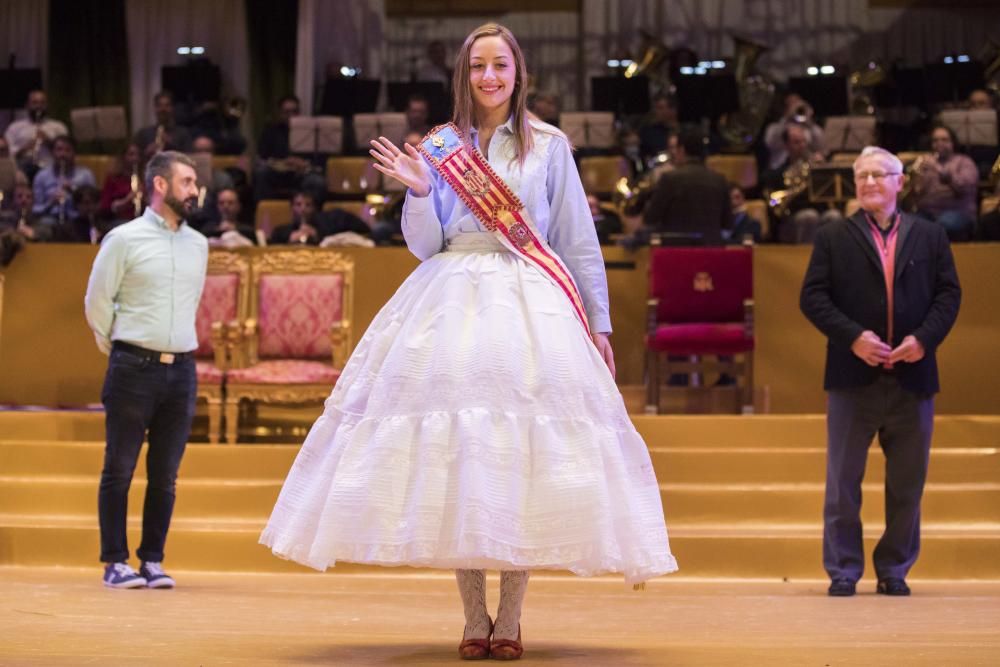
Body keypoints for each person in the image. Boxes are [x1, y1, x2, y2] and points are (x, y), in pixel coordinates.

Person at [260, 22, 676, 661]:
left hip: (531, 299)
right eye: (477, 66)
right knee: (463, 453)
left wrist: (598, 322)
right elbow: (425, 245)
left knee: (518, 457)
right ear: (464, 75)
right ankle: (472, 616)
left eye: (500, 66)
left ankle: (510, 616)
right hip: (451, 299)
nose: (489, 77)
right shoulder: (440, 147)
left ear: (518, 73)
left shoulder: (549, 146)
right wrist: (422, 193)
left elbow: (576, 240)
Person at [800, 146, 961, 598]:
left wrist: (922, 341)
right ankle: (844, 570)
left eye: (879, 174)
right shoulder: (833, 236)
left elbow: (949, 296)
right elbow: (813, 297)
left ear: (899, 183)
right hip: (853, 380)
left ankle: (894, 568)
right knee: (842, 486)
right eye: (862, 176)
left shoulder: (930, 236)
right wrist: (853, 337)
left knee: (907, 484)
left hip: (913, 377)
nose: (870, 182)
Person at [84, 150, 208, 590]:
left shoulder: (199, 244)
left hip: (183, 371)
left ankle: (152, 560)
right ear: (161, 185)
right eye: (188, 181)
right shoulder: (123, 239)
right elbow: (97, 302)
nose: (195, 191)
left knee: (165, 475)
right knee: (119, 467)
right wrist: (118, 346)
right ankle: (115, 562)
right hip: (133, 365)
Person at [640, 126, 728, 246]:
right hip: (711, 251)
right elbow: (728, 223)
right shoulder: (719, 180)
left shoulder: (669, 178)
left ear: (681, 150)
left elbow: (650, 218)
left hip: (677, 253)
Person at [911, 124, 979, 242]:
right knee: (908, 226)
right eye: (935, 140)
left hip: (958, 211)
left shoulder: (964, 162)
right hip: (927, 212)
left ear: (953, 143)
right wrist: (917, 180)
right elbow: (918, 193)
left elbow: (965, 188)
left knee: (941, 226)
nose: (939, 143)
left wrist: (938, 169)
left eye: (944, 140)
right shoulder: (927, 163)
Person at [31, 135, 97, 225]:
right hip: (51, 218)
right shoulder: (41, 176)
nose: (63, 154)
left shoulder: (85, 175)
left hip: (78, 218)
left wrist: (74, 191)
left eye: (68, 150)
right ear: (52, 153)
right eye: (59, 150)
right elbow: (36, 209)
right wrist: (51, 203)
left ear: (74, 153)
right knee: (45, 223)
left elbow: (93, 206)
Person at [3, 89, 69, 179]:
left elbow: (67, 150)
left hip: (51, 169)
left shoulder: (58, 126)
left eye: (42, 103)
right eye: (35, 103)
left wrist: (49, 142)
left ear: (47, 105)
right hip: (22, 169)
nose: (39, 106)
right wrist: (24, 148)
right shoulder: (15, 127)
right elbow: (6, 152)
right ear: (27, 105)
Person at [763, 92, 825, 170]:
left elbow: (821, 144)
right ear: (785, 108)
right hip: (778, 171)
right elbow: (770, 141)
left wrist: (809, 121)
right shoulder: (774, 128)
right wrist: (787, 116)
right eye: (792, 104)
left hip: (804, 169)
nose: (795, 107)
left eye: (797, 103)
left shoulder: (808, 128)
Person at [134, 92, 193, 157]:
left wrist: (171, 145)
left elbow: (189, 159)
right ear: (155, 108)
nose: (163, 109)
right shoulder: (144, 133)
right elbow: (134, 159)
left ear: (172, 108)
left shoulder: (183, 133)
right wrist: (146, 153)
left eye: (167, 105)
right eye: (159, 105)